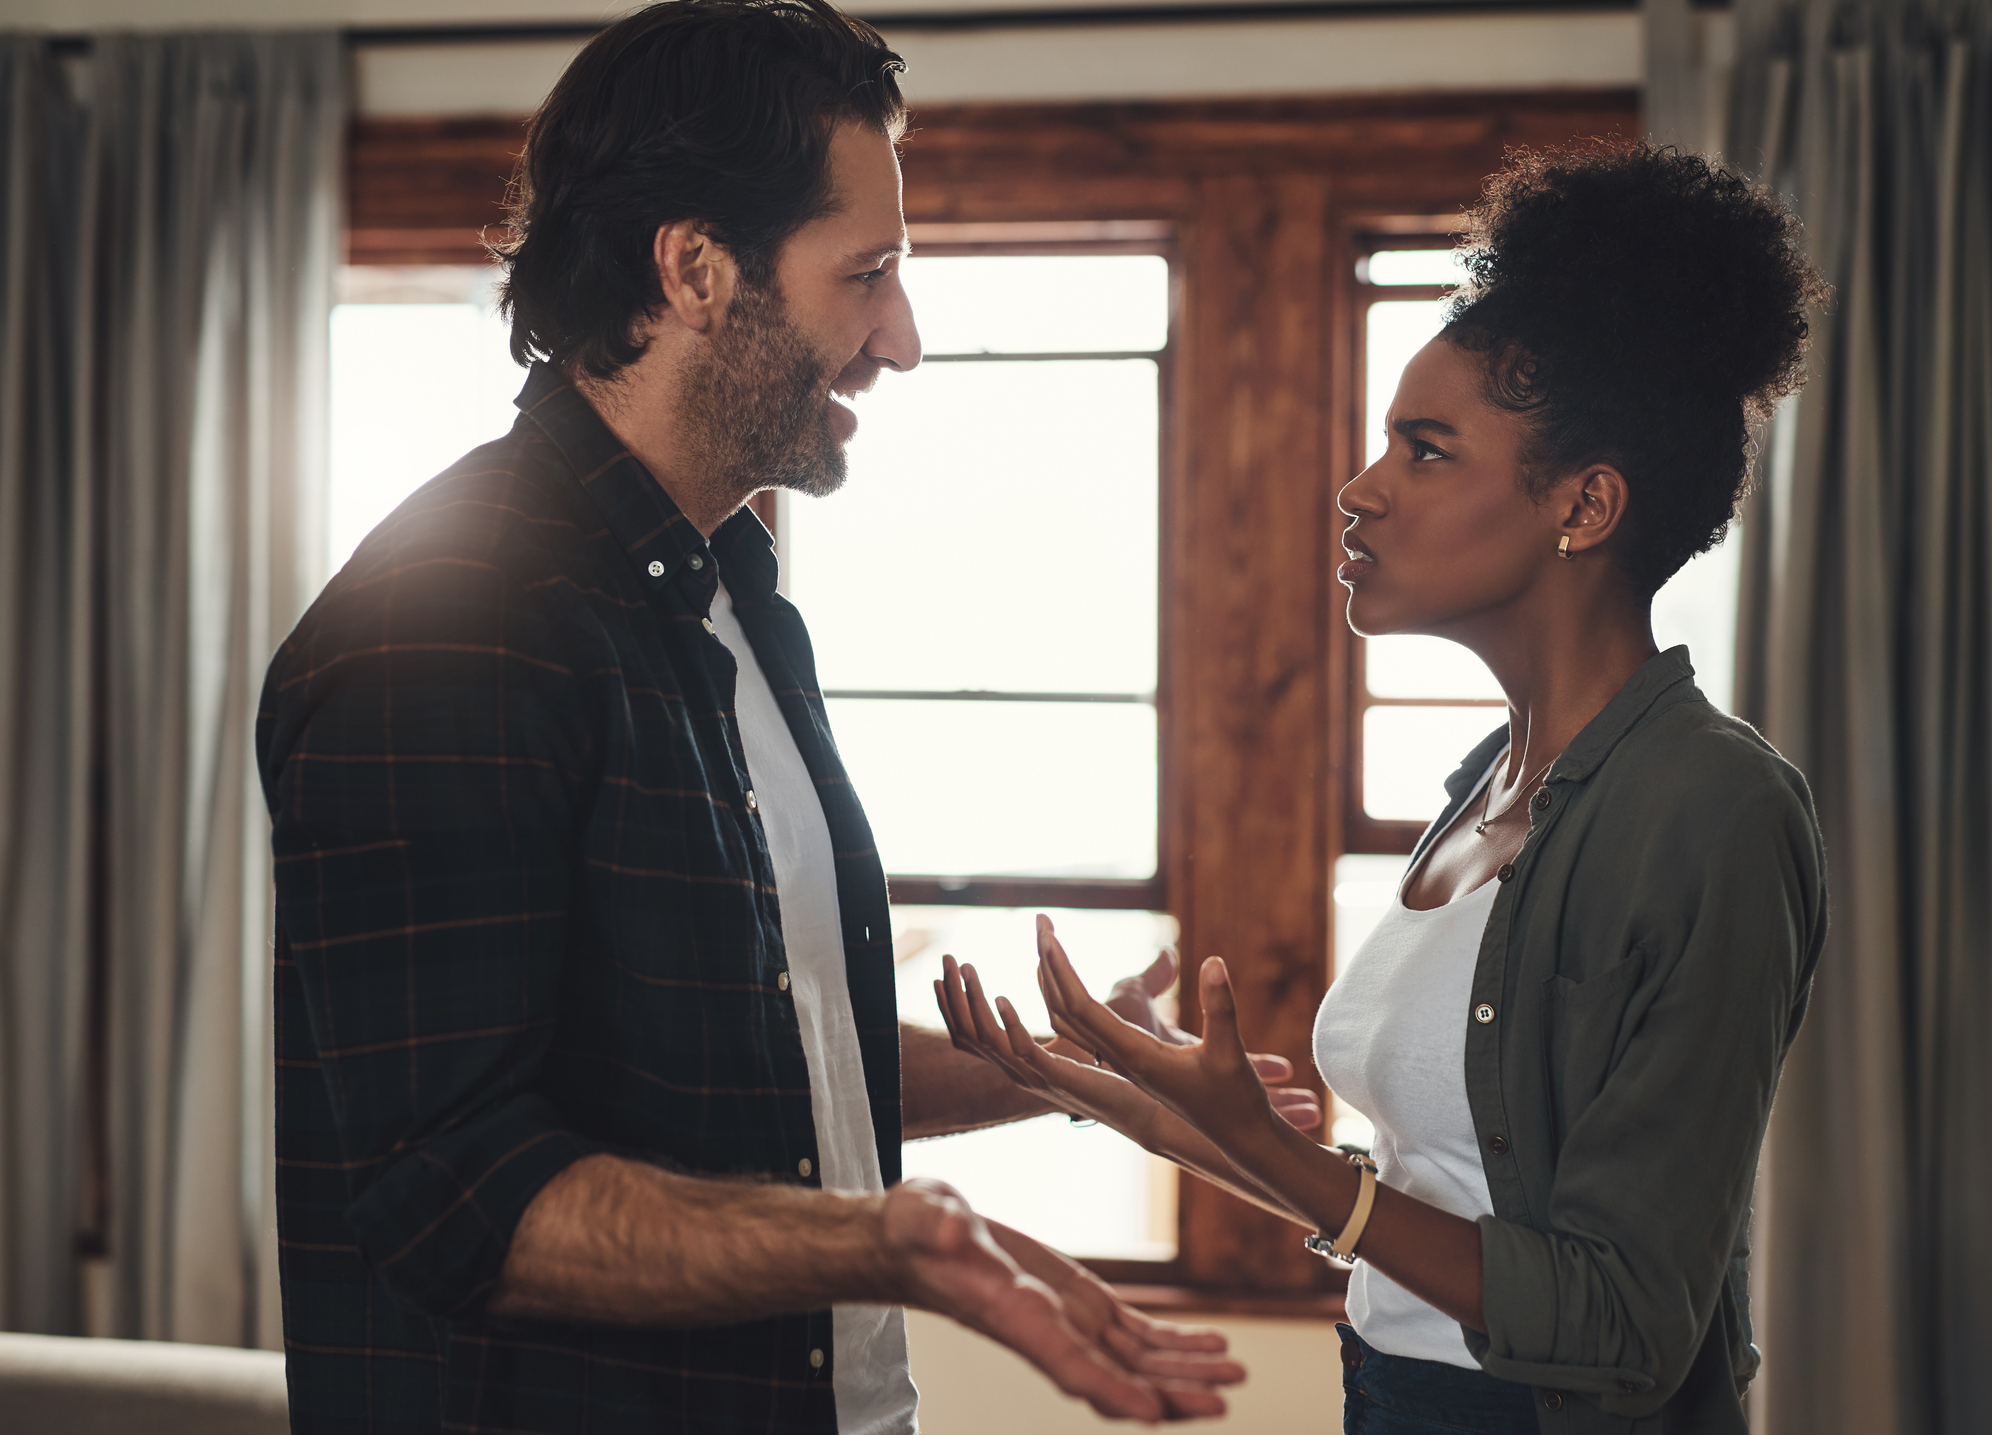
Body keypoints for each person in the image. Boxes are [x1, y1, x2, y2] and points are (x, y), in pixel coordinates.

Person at [256, 3, 1279, 1432]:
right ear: (693, 269)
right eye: (868, 274)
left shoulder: (731, 591)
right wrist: (885, 1242)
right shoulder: (450, 623)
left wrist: (1071, 1076)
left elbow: (757, 1073)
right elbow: (456, 1194)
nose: (902, 343)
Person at [939, 141, 1831, 1435]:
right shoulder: (1486, 783)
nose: (1357, 493)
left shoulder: (1712, 814)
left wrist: (1277, 1154)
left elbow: (1626, 1328)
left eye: (1423, 452)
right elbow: (1445, 1199)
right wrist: (1133, 1105)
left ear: (1581, 505)